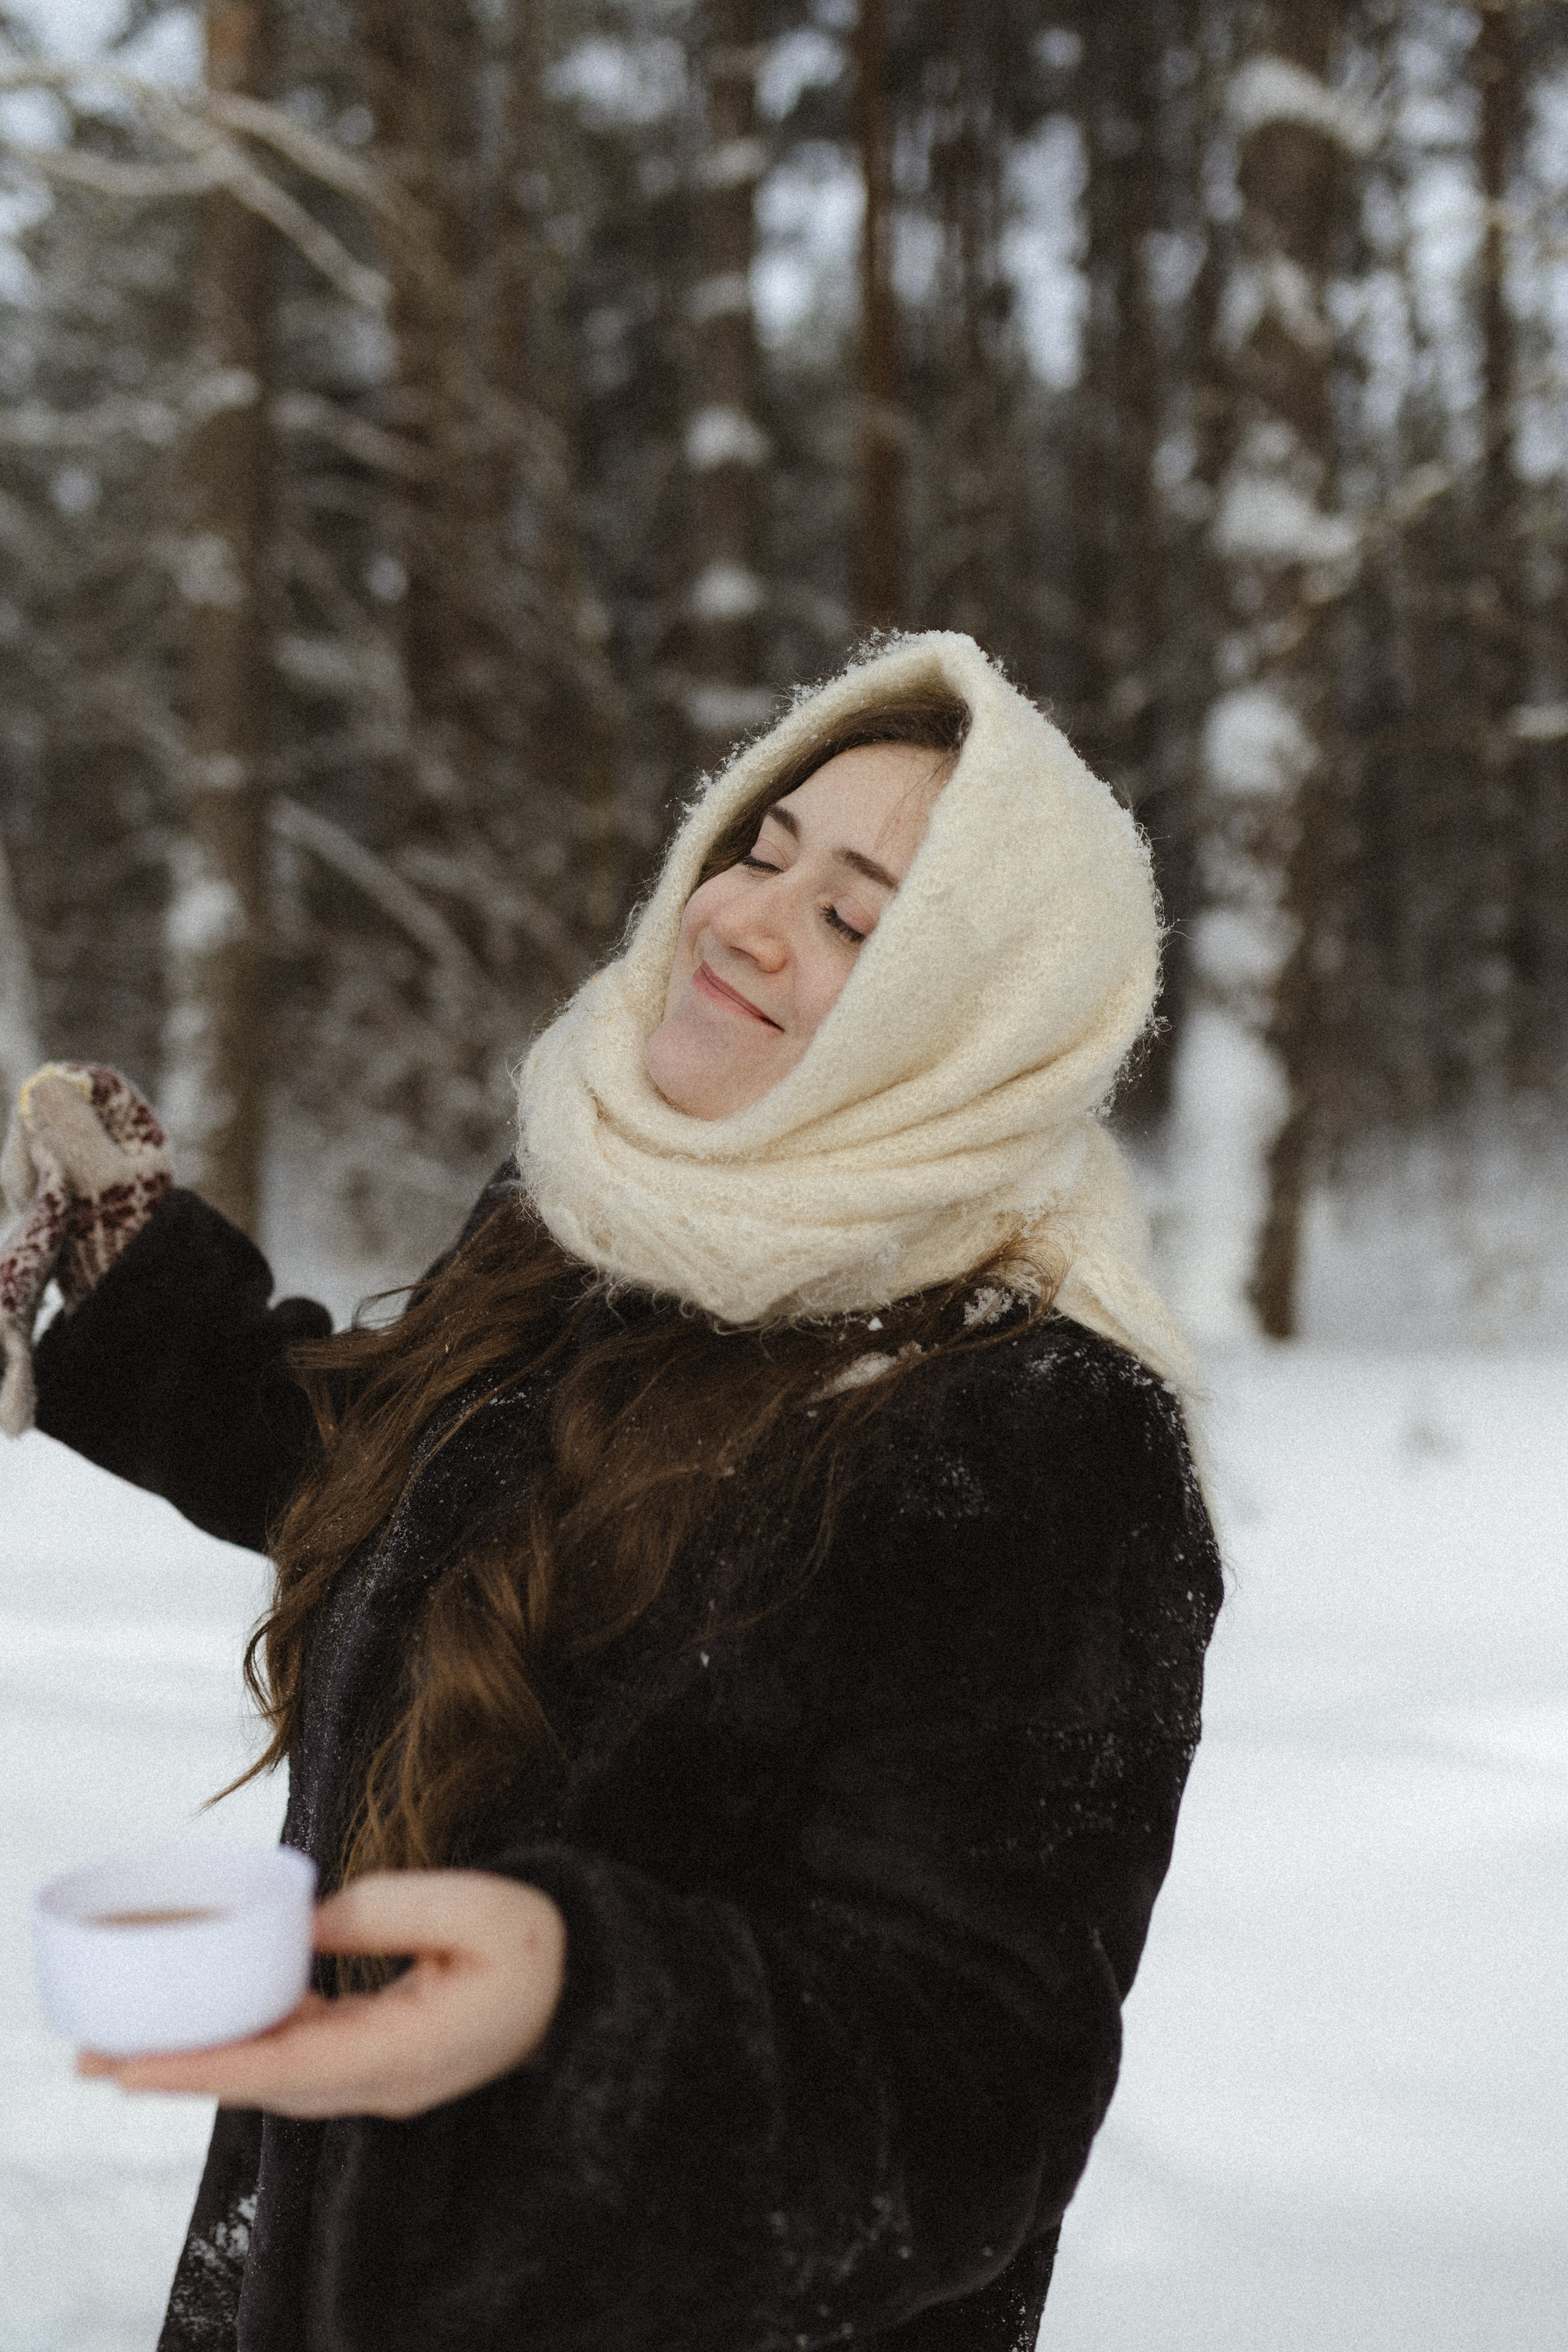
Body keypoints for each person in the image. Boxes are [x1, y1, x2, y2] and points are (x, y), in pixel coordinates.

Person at [1, 630, 1223, 2352]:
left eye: (857, 921)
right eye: (761, 846)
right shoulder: (601, 1227)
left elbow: (968, 2097)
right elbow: (438, 1520)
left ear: (974, 1020)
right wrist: (140, 1302)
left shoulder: (1036, 1435)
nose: (742, 914)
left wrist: (582, 2015)